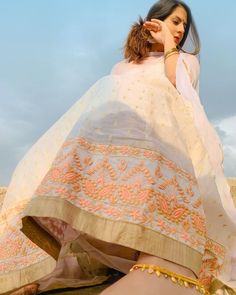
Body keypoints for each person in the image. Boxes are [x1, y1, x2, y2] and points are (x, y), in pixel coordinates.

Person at [1, 0, 236, 294]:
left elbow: (178, 88)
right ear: (154, 22)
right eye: (173, 21)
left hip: (162, 145)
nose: (179, 29)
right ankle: (49, 268)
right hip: (120, 149)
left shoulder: (184, 60)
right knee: (105, 91)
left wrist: (168, 44)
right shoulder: (123, 67)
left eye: (183, 25)